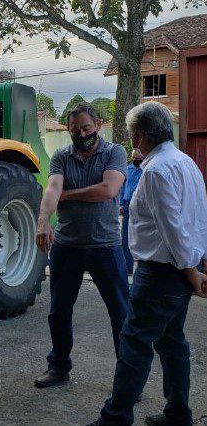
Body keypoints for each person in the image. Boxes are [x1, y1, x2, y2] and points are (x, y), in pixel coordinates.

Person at [87, 101, 207, 426]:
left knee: (135, 344)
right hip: (179, 272)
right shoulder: (185, 162)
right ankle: (177, 416)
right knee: (171, 343)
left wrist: (193, 272)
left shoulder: (155, 171)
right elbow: (197, 220)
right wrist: (197, 265)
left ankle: (115, 418)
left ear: (139, 135)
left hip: (162, 274)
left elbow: (173, 230)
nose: (129, 141)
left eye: (130, 135)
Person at [35, 103, 129, 388]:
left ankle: (128, 380)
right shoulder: (62, 156)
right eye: (75, 130)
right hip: (67, 247)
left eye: (87, 128)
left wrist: (68, 195)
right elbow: (52, 188)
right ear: (68, 130)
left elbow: (108, 190)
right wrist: (43, 220)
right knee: (59, 311)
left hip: (106, 247)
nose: (81, 134)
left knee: (121, 314)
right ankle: (59, 367)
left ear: (98, 125)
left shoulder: (115, 152)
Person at [119, 149, 143, 275]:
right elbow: (122, 187)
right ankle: (127, 268)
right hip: (128, 205)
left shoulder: (146, 169)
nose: (134, 160)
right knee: (125, 237)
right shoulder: (128, 169)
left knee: (142, 237)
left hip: (141, 206)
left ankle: (142, 270)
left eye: (137, 158)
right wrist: (121, 203)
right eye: (133, 157)